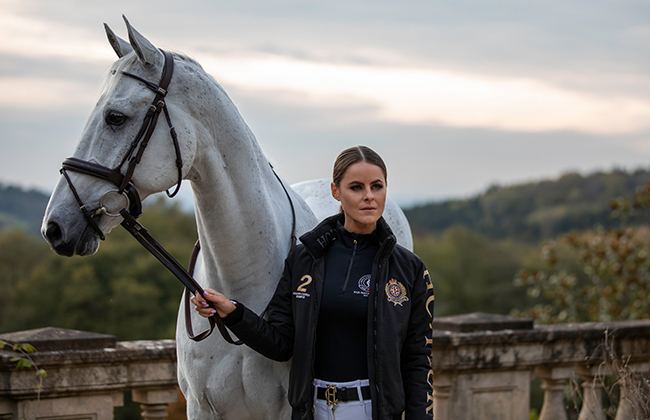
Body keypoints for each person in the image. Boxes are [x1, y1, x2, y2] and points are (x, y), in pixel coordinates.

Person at [191, 145, 434, 420]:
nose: (369, 196)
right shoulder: (305, 259)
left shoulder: (409, 269)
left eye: (376, 186)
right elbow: (282, 343)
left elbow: (418, 359)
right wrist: (233, 312)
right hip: (313, 411)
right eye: (356, 187)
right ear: (336, 192)